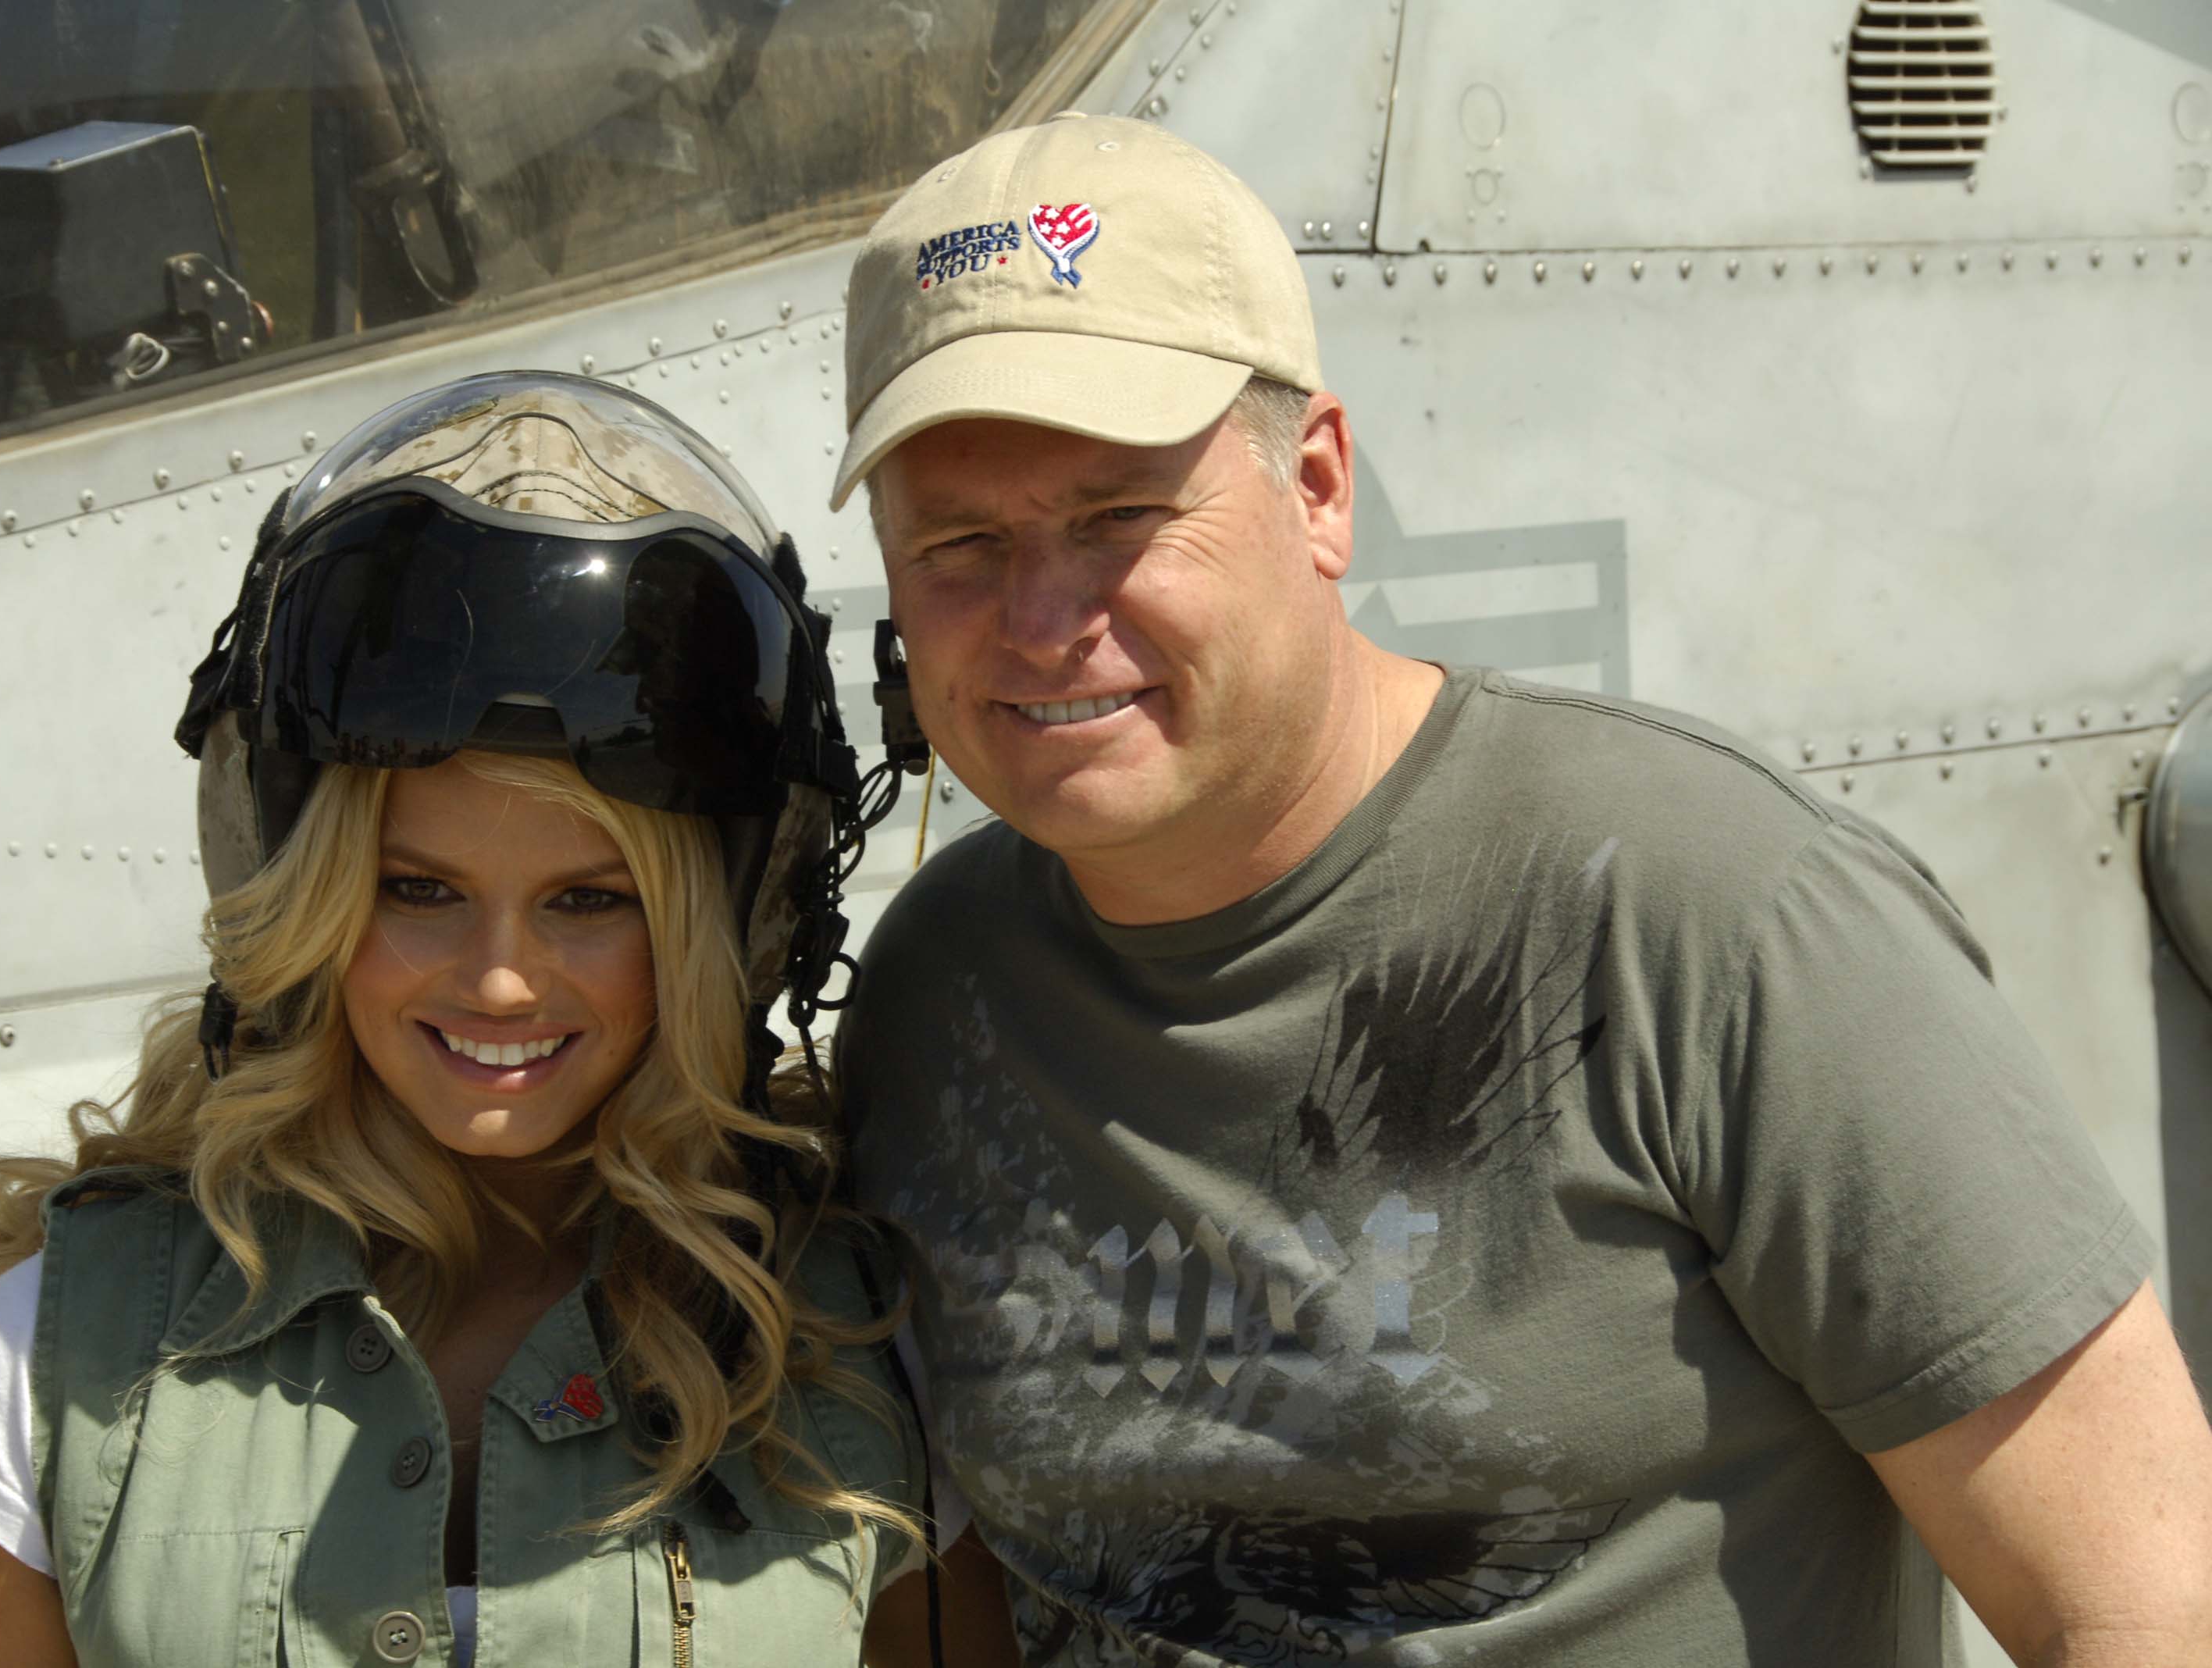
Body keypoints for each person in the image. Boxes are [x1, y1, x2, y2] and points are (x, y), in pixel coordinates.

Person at [827, 113, 2212, 1666]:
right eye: (958, 545)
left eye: (1119, 520)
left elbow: (2144, 1608)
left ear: (1319, 488)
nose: (1041, 619)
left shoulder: (1711, 917)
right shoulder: (936, 992)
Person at [0, 373, 1003, 1668]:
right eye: (417, 890)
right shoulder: (42, 1376)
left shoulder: (858, 1350)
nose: (501, 983)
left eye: (589, 900)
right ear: (303, 894)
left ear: (716, 928)